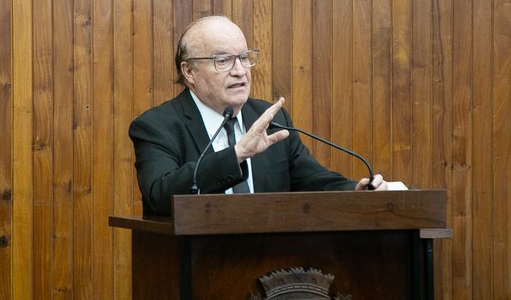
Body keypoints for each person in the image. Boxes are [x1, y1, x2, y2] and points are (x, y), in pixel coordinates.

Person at [129, 15, 387, 215]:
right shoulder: (157, 126)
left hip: (271, 261)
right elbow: (160, 196)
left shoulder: (270, 118)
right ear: (189, 71)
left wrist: (355, 190)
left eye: (243, 57)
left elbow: (311, 180)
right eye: (223, 61)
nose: (240, 71)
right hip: (198, 259)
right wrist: (236, 155)